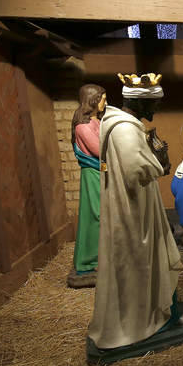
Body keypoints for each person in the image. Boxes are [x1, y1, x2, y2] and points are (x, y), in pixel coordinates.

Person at [86, 73, 183, 365]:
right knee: (141, 265)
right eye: (154, 104)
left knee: (145, 264)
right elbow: (138, 171)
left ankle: (159, 312)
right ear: (142, 102)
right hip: (133, 215)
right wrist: (159, 161)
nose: (156, 110)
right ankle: (145, 321)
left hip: (134, 206)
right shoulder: (125, 131)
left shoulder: (116, 123)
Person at [67, 84, 106, 288]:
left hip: (101, 173)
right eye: (102, 98)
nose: (104, 102)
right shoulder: (83, 127)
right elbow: (101, 149)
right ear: (92, 99)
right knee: (94, 215)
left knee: (103, 215)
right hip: (93, 174)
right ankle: (86, 262)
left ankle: (101, 258)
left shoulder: (96, 121)